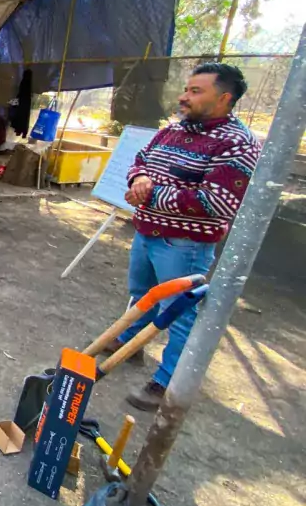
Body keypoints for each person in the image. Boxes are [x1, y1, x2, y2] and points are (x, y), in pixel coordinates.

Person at [105, 63, 261, 412]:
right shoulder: (174, 130)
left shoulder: (237, 143)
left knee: (179, 313)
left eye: (195, 91)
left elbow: (216, 203)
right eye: (186, 89)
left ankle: (167, 384)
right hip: (146, 232)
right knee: (141, 295)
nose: (183, 96)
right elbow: (141, 159)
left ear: (223, 98)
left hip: (183, 244)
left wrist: (150, 194)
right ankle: (130, 343)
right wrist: (137, 180)